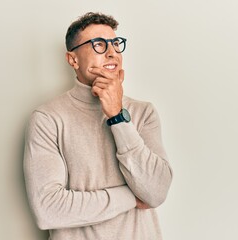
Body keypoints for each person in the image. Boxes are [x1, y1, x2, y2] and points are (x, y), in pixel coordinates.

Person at [23, 12, 173, 240]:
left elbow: (156, 192)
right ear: (73, 60)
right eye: (99, 45)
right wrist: (131, 197)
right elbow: (48, 209)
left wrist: (117, 116)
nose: (112, 52)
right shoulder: (47, 119)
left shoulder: (144, 113)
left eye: (115, 44)